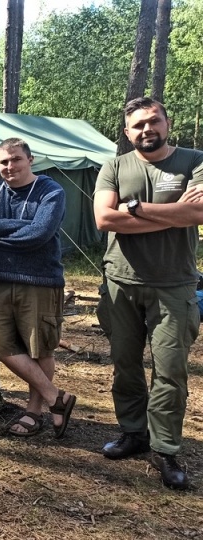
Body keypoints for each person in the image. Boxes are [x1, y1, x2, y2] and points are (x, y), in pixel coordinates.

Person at [93, 97, 203, 490]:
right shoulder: (115, 165)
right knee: (125, 364)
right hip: (121, 282)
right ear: (127, 133)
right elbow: (105, 218)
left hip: (174, 285)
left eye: (153, 121)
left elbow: (199, 213)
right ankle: (134, 433)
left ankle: (167, 449)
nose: (146, 130)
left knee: (170, 371)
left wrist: (136, 210)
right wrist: (172, 213)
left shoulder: (194, 160)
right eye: (138, 125)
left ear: (167, 123)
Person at [0, 138, 75, 438]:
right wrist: (20, 229)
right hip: (1, 280)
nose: (9, 166)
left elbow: (40, 234)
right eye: (3, 161)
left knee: (39, 347)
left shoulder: (50, 191)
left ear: (30, 159)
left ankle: (34, 411)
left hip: (40, 281)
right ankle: (58, 398)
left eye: (16, 159)